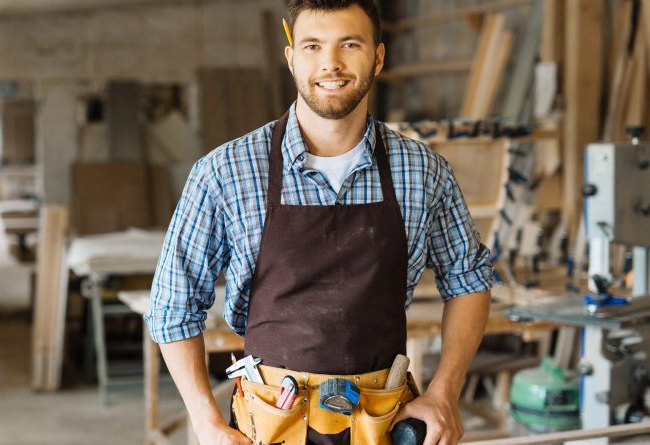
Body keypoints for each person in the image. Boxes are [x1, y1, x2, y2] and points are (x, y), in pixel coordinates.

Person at [144, 1, 493, 444]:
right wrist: (207, 422)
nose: (331, 63)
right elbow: (173, 306)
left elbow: (469, 280)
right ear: (291, 58)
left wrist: (445, 393)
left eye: (350, 44)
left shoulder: (422, 172)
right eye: (312, 46)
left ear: (379, 57)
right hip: (270, 423)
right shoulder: (226, 172)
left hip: (381, 420)